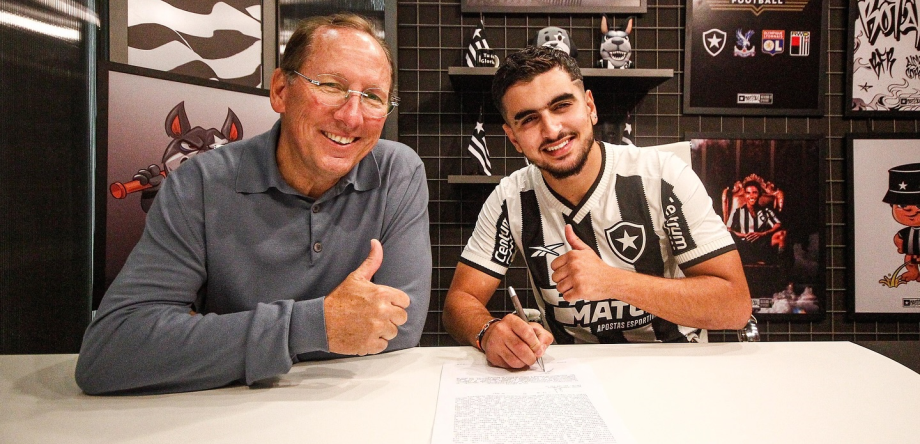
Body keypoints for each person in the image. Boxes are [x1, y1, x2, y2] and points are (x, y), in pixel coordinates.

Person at [76, 14, 431, 394]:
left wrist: (207, 340)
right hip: (225, 410)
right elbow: (111, 352)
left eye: (373, 97)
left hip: (352, 403)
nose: (351, 116)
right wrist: (314, 326)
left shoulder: (397, 171)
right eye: (331, 86)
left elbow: (398, 325)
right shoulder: (199, 182)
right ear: (280, 91)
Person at [442, 46, 751, 369]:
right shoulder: (510, 199)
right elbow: (459, 302)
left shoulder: (663, 178)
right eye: (529, 119)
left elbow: (734, 306)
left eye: (562, 106)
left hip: (675, 366)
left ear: (590, 107)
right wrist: (489, 332)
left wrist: (612, 281)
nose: (552, 130)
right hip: (572, 374)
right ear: (514, 138)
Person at [726, 180, 783, 264]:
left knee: (782, 234)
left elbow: (778, 225)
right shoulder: (737, 212)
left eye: (754, 193)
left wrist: (763, 234)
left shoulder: (766, 211)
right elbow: (728, 229)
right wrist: (744, 235)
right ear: (744, 195)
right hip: (743, 245)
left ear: (759, 194)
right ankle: (754, 260)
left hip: (761, 245)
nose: (751, 196)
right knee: (729, 236)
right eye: (748, 193)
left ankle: (776, 266)